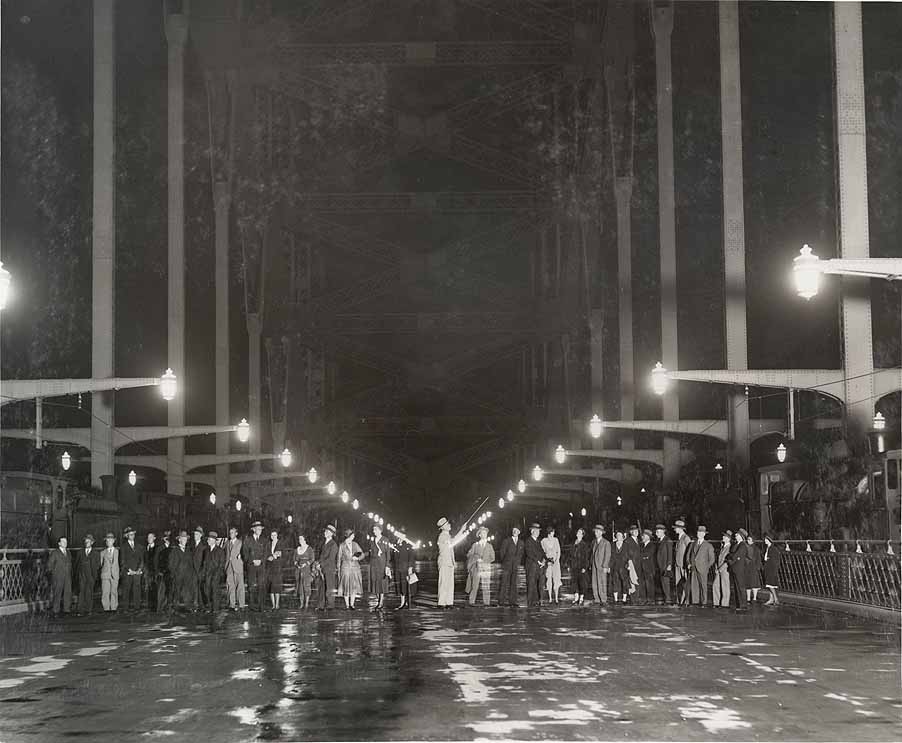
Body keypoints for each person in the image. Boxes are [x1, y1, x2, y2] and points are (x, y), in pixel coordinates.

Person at [436, 517, 465, 609]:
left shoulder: (447, 535)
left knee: (449, 583)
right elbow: (453, 542)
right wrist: (461, 531)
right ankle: (441, 603)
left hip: (449, 562)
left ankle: (448, 602)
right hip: (444, 562)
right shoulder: (442, 536)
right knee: (444, 583)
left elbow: (453, 540)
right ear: (443, 527)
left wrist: (462, 531)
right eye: (447, 524)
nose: (449, 525)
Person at [465, 526, 495, 606]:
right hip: (476, 568)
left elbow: (493, 557)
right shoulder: (475, 545)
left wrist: (485, 561)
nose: (484, 534)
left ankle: (487, 603)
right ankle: (471, 602)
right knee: (474, 585)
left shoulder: (489, 546)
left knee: (486, 586)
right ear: (479, 535)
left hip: (486, 568)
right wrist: (475, 558)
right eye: (482, 533)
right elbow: (469, 554)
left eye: (485, 533)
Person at [243, 521, 268, 612]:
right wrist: (252, 560)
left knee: (261, 586)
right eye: (258, 529)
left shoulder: (264, 540)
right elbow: (245, 553)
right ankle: (252, 606)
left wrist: (261, 560)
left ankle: (261, 606)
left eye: (261, 529)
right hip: (251, 566)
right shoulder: (247, 540)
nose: (260, 530)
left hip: (261, 566)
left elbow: (266, 552)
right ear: (253, 530)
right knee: (251, 586)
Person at [497, 526, 525, 607]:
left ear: (519, 532)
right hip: (507, 565)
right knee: (504, 583)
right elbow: (502, 552)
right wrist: (505, 562)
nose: (515, 532)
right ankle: (501, 601)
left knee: (514, 583)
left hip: (515, 565)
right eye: (513, 530)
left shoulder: (521, 543)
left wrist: (518, 561)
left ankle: (513, 601)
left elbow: (521, 554)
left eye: (516, 530)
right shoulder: (506, 541)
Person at [168, 530, 195, 610]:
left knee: (187, 592)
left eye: (186, 539)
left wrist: (190, 573)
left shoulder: (188, 550)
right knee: (177, 591)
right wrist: (174, 573)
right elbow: (171, 564)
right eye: (183, 538)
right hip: (178, 575)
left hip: (187, 576)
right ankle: (175, 607)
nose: (184, 540)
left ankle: (188, 606)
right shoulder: (174, 550)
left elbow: (191, 563)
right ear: (179, 539)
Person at [688, 525, 715, 606]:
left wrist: (707, 567)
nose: (699, 534)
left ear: (704, 534)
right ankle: (695, 601)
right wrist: (689, 564)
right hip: (693, 567)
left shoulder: (708, 545)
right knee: (694, 585)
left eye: (701, 532)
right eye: (698, 532)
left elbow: (712, 559)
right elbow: (688, 555)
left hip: (703, 568)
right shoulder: (693, 544)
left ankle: (704, 602)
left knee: (703, 586)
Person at [119, 526, 144, 612]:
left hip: (137, 572)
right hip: (128, 572)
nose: (132, 536)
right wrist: (129, 570)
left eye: (133, 534)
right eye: (130, 534)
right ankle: (126, 608)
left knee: (137, 589)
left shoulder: (139, 546)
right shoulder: (123, 547)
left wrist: (139, 569)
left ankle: (137, 607)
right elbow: (122, 561)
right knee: (126, 589)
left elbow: (142, 559)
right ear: (126, 536)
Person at [367, 524, 392, 612]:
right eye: (373, 530)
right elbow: (371, 553)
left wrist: (387, 566)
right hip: (374, 564)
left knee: (381, 583)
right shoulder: (372, 541)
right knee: (375, 582)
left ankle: (380, 602)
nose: (374, 531)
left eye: (376, 529)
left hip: (382, 564)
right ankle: (379, 600)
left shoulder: (385, 540)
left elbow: (388, 554)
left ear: (380, 530)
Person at [338, 529, 363, 610]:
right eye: (352, 535)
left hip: (355, 568)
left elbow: (362, 554)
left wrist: (358, 558)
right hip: (345, 568)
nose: (354, 536)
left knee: (353, 587)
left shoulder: (355, 544)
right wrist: (338, 569)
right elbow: (339, 558)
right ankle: (347, 605)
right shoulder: (342, 546)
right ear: (348, 536)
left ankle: (352, 604)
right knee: (346, 586)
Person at [47, 536, 72, 617]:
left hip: (67, 576)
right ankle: (55, 611)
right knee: (57, 593)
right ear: (59, 543)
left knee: (67, 593)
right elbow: (49, 565)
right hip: (58, 577)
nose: (65, 543)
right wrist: (54, 575)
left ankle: (66, 610)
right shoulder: (55, 553)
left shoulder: (68, 552)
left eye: (66, 541)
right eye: (63, 542)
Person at [75, 534, 100, 616]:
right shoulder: (80, 552)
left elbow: (98, 565)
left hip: (91, 575)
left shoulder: (96, 553)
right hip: (82, 576)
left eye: (88, 541)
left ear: (92, 543)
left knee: (89, 592)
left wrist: (94, 575)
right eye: (85, 541)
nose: (86, 543)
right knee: (81, 592)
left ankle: (89, 610)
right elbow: (76, 564)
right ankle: (80, 610)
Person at [201, 531, 225, 612]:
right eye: (208, 539)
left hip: (216, 574)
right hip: (208, 574)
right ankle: (209, 606)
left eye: (209, 539)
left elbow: (221, 564)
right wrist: (203, 573)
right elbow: (204, 563)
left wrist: (217, 574)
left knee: (214, 591)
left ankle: (215, 608)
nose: (208, 541)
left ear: (214, 540)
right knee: (207, 591)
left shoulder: (220, 550)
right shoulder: (206, 550)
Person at [316, 524, 339, 611]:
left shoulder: (333, 545)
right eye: (325, 531)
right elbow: (321, 555)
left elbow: (331, 559)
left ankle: (330, 605)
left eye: (327, 531)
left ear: (331, 534)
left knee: (329, 587)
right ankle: (321, 605)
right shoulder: (324, 543)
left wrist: (321, 564)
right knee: (322, 587)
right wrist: (318, 564)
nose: (325, 533)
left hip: (329, 569)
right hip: (322, 568)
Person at [523, 523, 546, 608]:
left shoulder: (538, 541)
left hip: (539, 567)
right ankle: (530, 603)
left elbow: (542, 552)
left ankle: (537, 601)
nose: (538, 533)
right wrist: (538, 561)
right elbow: (529, 553)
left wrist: (544, 560)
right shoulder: (528, 541)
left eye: (539, 531)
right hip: (531, 566)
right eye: (536, 531)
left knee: (538, 585)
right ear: (532, 531)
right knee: (531, 584)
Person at [727, 529, 749, 611]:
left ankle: (743, 605)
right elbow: (732, 554)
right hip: (735, 568)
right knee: (737, 587)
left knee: (740, 587)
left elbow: (734, 555)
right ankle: (739, 604)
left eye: (737, 535)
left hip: (739, 569)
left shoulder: (742, 545)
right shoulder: (737, 544)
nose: (735, 535)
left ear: (741, 537)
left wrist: (730, 558)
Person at [225, 526, 246, 611]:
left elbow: (244, 553)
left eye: (232, 532)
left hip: (238, 567)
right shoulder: (227, 543)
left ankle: (241, 605)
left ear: (236, 533)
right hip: (229, 567)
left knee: (240, 586)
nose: (231, 534)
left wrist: (241, 557)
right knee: (231, 586)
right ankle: (232, 605)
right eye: (230, 533)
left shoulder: (240, 542)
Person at [292, 534, 314, 610]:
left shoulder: (309, 549)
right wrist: (297, 564)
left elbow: (312, 559)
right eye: (299, 539)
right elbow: (294, 559)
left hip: (306, 569)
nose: (300, 540)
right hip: (299, 570)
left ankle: (306, 604)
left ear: (305, 540)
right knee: (300, 587)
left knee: (306, 587)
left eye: (301, 539)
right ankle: (301, 604)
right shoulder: (297, 549)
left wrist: (306, 564)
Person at [541, 525, 562, 604]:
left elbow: (559, 551)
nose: (553, 533)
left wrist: (556, 560)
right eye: (552, 532)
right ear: (549, 533)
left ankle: (556, 598)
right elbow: (542, 552)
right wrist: (546, 560)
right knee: (549, 580)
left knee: (556, 579)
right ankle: (550, 598)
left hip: (556, 563)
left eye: (553, 532)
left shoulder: (556, 540)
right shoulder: (544, 541)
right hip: (548, 563)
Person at [570, 528, 591, 606]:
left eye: (580, 532)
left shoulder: (584, 545)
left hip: (581, 566)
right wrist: (569, 565)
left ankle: (581, 598)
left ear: (582, 535)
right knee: (574, 582)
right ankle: (576, 598)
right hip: (574, 566)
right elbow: (570, 556)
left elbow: (586, 557)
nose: (578, 533)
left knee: (582, 583)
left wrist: (585, 567)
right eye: (577, 532)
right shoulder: (573, 543)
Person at [590, 524, 611, 606]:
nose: (596, 533)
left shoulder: (606, 543)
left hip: (602, 566)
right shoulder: (594, 542)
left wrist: (606, 566)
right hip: (594, 566)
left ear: (602, 533)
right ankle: (597, 599)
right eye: (595, 531)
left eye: (598, 531)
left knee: (602, 582)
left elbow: (608, 555)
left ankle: (603, 599)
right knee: (594, 582)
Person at [712, 530, 732, 609]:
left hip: (724, 569)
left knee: (725, 586)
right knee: (715, 585)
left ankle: (725, 604)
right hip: (719, 569)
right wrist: (716, 567)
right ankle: (716, 602)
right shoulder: (723, 546)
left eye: (725, 536)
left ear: (728, 538)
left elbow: (728, 561)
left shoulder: (730, 548)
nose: (723, 537)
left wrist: (720, 569)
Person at [673, 519, 691, 606]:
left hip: (683, 565)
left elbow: (689, 551)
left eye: (676, 528)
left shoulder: (686, 538)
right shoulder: (679, 538)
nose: (674, 529)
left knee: (685, 584)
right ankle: (679, 601)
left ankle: (685, 601)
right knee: (678, 584)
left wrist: (687, 563)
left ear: (680, 528)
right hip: (677, 564)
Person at [266, 528, 285, 610]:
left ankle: (277, 604)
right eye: (272, 535)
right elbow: (266, 553)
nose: (273, 536)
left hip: (277, 568)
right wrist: (268, 557)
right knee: (271, 587)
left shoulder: (280, 543)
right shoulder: (268, 544)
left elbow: (280, 553)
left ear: (277, 536)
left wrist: (273, 556)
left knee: (276, 586)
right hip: (270, 568)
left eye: (274, 535)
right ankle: (273, 605)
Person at [100, 533, 119, 612]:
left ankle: (114, 608)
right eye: (107, 541)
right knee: (105, 592)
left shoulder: (117, 551)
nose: (109, 542)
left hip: (115, 575)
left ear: (113, 541)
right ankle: (106, 609)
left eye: (110, 540)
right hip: (105, 575)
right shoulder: (102, 552)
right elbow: (101, 564)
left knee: (114, 592)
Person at [654, 524, 673, 605]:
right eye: (656, 532)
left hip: (665, 565)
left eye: (658, 532)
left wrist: (669, 564)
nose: (656, 533)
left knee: (666, 582)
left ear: (663, 532)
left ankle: (668, 599)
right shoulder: (660, 540)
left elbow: (670, 553)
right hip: (660, 565)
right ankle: (666, 598)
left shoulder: (667, 540)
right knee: (663, 582)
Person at [610, 530, 630, 604]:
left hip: (624, 566)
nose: (619, 537)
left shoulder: (626, 545)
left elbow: (629, 556)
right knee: (615, 582)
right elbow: (610, 556)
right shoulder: (612, 544)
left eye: (620, 535)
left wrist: (628, 565)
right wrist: (609, 566)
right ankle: (615, 599)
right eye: (617, 535)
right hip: (615, 566)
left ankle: (624, 599)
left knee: (624, 582)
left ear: (623, 537)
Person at [762, 534, 782, 606]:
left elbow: (775, 559)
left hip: (771, 569)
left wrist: (769, 560)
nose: (765, 541)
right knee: (770, 584)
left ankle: (775, 599)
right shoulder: (767, 548)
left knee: (770, 584)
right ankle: (771, 599)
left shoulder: (773, 549)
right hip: (768, 568)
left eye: (766, 540)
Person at [155, 531, 172, 612]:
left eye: (169, 538)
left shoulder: (172, 548)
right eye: (166, 538)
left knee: (169, 591)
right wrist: (158, 571)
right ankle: (160, 608)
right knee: (161, 591)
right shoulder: (159, 548)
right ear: (164, 539)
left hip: (170, 573)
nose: (167, 539)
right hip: (162, 573)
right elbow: (156, 561)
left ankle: (168, 608)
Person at [638, 529, 657, 605]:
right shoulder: (641, 545)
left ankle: (651, 600)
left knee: (649, 584)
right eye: (642, 535)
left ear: (648, 537)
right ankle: (644, 599)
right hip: (642, 567)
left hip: (649, 568)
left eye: (644, 536)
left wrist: (641, 556)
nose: (642, 537)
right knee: (642, 584)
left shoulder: (652, 545)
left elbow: (647, 555)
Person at [394, 539, 415, 609]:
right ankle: (403, 601)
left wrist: (410, 567)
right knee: (400, 585)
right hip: (398, 568)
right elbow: (395, 556)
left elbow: (411, 555)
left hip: (405, 568)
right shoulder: (397, 544)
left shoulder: (408, 544)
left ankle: (404, 602)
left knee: (405, 585)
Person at [624, 525, 641, 603]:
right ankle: (633, 599)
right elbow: (626, 553)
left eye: (637, 531)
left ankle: (636, 598)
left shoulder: (638, 540)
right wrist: (628, 564)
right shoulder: (628, 541)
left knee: (636, 580)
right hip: (632, 564)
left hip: (638, 564)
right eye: (635, 531)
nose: (636, 532)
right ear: (631, 532)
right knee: (631, 581)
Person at [191, 526, 206, 611]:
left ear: (200, 535)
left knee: (201, 588)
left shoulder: (203, 546)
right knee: (194, 588)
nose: (195, 535)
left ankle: (202, 605)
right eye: (194, 534)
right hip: (193, 571)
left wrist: (202, 571)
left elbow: (205, 560)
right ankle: (195, 605)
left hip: (200, 571)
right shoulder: (191, 545)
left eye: (196, 534)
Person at [745, 533, 762, 603]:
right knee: (748, 583)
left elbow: (758, 559)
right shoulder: (745, 547)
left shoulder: (756, 549)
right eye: (747, 539)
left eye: (749, 539)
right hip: (747, 567)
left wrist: (757, 567)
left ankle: (754, 598)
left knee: (754, 583)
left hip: (753, 567)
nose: (747, 540)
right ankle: (748, 598)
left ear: (753, 541)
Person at [144, 532, 158, 612]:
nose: (149, 539)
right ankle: (149, 607)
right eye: (148, 537)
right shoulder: (145, 549)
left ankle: (154, 607)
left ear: (154, 538)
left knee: (154, 589)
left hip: (154, 573)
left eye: (151, 537)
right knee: (147, 589)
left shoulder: (157, 548)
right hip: (147, 573)